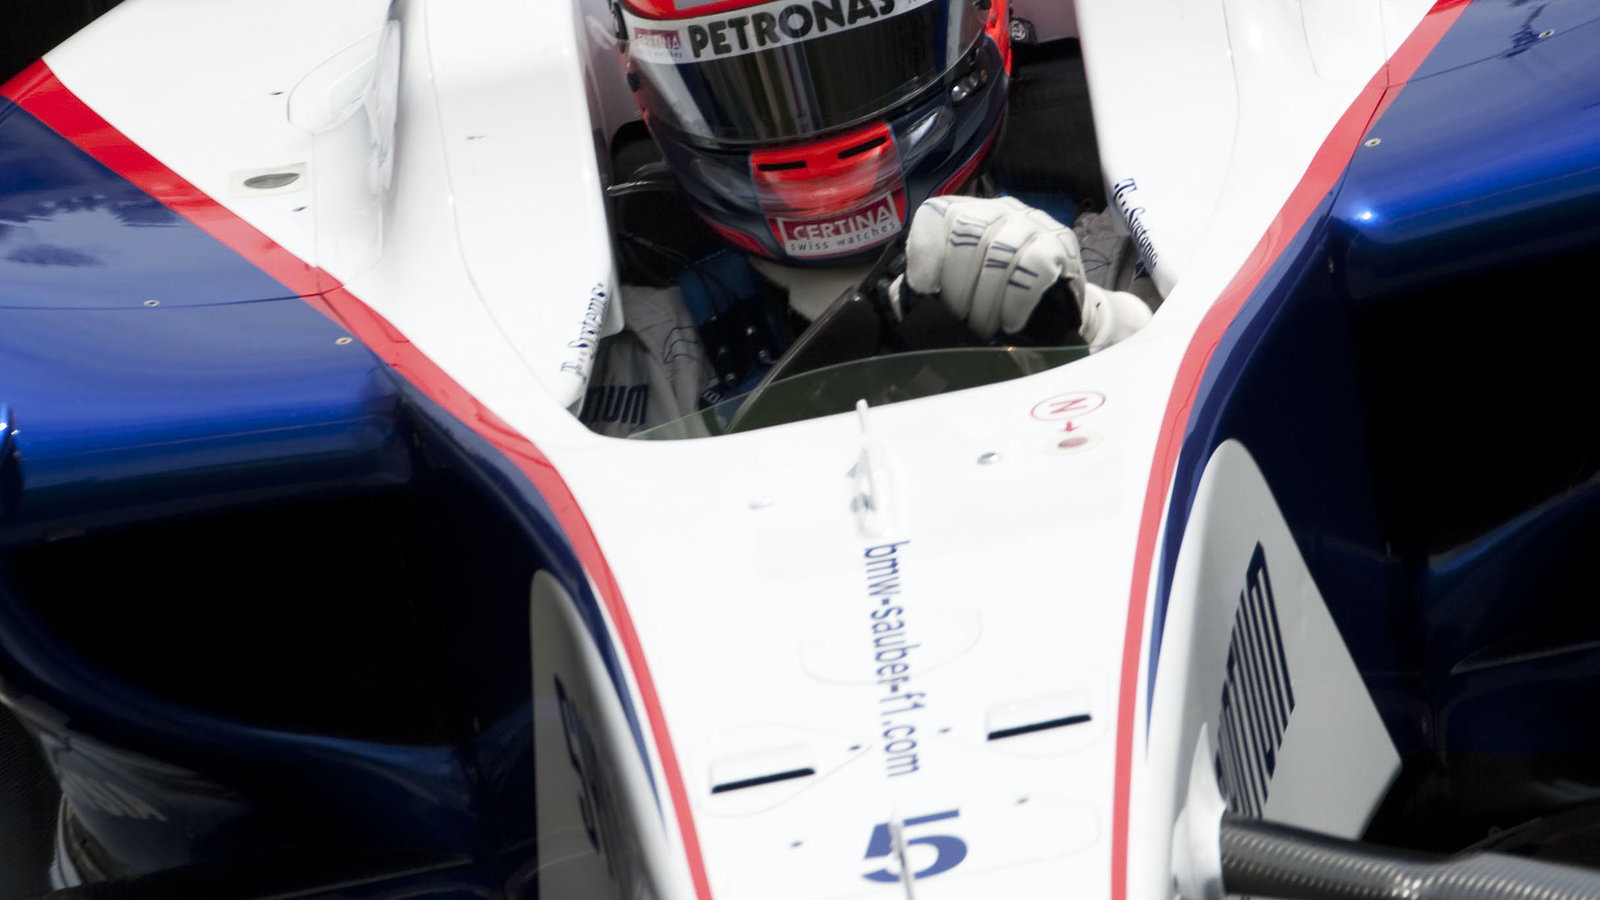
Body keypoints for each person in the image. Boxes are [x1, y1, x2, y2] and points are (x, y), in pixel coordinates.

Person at [580, 0, 1154, 436]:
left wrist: (1098, 331)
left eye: (856, 66)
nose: (821, 149)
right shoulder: (647, 355)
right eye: (746, 83)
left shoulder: (1117, 256)